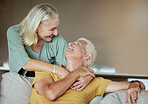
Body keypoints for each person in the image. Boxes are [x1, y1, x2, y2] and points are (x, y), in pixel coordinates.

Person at [29, 38, 145, 104]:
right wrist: (77, 73)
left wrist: (135, 85)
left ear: (87, 56)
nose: (70, 43)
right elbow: (50, 94)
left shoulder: (96, 83)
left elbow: (137, 85)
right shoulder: (47, 71)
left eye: (77, 44)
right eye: (72, 42)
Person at [6, 3, 94, 90]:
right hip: (19, 81)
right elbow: (25, 63)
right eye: (52, 29)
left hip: (46, 85)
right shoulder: (15, 32)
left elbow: (72, 66)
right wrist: (57, 69)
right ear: (36, 26)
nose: (56, 33)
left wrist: (89, 76)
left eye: (57, 28)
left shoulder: (57, 39)